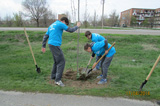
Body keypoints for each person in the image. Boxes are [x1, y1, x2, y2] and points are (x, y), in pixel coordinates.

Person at [42, 17, 81, 87]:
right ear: (63, 21)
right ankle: (58, 80)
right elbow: (71, 30)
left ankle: (53, 76)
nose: (65, 25)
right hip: (55, 45)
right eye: (66, 24)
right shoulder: (60, 24)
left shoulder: (52, 25)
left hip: (50, 44)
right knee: (61, 61)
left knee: (56, 61)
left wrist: (43, 46)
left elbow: (45, 36)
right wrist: (77, 26)